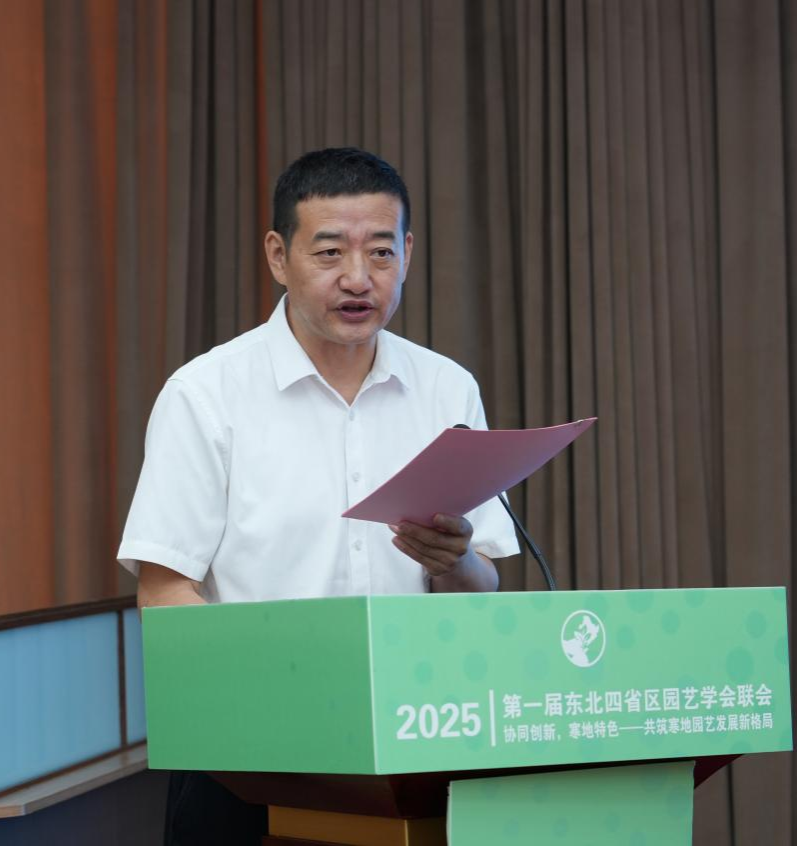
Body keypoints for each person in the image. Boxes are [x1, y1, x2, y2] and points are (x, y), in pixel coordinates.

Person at [117, 147, 519, 845]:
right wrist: (279, 693)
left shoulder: (446, 389)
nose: (358, 279)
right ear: (279, 256)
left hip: (414, 739)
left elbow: (483, 587)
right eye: (330, 252)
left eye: (381, 253)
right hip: (249, 759)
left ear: (408, 254)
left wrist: (456, 562)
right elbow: (164, 592)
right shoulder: (206, 395)